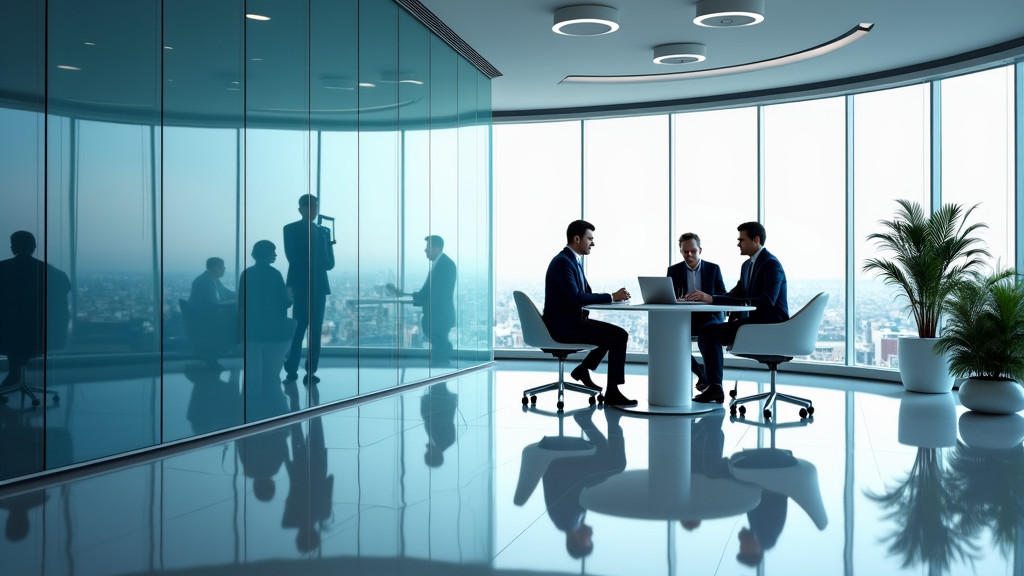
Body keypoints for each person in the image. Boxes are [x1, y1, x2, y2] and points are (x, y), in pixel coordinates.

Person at [684, 222, 788, 403]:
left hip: (770, 325)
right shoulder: (747, 265)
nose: (738, 244)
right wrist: (709, 297)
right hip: (754, 322)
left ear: (756, 239)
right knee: (708, 331)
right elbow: (735, 293)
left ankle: (714, 387)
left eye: (742, 239)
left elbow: (767, 302)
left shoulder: (770, 264)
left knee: (709, 333)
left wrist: (712, 299)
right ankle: (714, 386)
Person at [543, 220, 635, 407]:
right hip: (563, 328)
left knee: (610, 335)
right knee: (618, 336)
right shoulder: (563, 262)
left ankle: (583, 370)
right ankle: (612, 392)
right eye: (590, 238)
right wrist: (611, 296)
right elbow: (576, 297)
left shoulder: (572, 260)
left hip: (570, 323)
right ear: (577, 239)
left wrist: (614, 296)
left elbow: (583, 293)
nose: (593, 243)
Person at [542, 409, 626, 558]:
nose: (591, 534)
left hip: (561, 472)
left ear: (577, 542)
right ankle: (587, 421)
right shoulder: (572, 522)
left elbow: (581, 496)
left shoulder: (566, 521)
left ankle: (611, 421)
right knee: (605, 456)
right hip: (567, 475)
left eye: (589, 540)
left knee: (617, 466)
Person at [0, 231, 71, 389]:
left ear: (13, 248)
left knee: (14, 328)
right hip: (42, 334)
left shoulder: (2, 270)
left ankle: (14, 376)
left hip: (7, 334)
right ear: (34, 248)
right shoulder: (56, 274)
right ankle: (16, 377)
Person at [283, 194, 336, 385]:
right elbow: (293, 258)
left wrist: (323, 243)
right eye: (310, 208)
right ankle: (291, 367)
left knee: (315, 330)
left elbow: (330, 263)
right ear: (301, 209)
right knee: (298, 328)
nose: (314, 212)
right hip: (302, 285)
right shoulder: (290, 229)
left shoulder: (324, 231)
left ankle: (311, 369)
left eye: (316, 208)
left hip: (319, 287)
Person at [238, 240, 294, 418]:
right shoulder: (275, 274)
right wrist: (289, 297)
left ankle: (253, 413)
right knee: (271, 375)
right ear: (267, 254)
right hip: (273, 333)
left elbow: (242, 305)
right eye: (273, 252)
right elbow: (283, 304)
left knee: (253, 376)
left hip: (253, 332)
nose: (276, 255)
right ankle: (274, 416)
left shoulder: (246, 274)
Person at [666, 232, 726, 392]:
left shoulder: (713, 269)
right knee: (669, 337)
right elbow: (669, 296)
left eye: (693, 251)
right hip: (685, 317)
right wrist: (678, 299)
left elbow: (723, 295)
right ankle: (701, 372)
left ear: (700, 250)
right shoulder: (673, 271)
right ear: (681, 252)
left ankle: (715, 385)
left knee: (710, 332)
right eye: (685, 252)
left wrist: (707, 297)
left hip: (709, 316)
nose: (689, 254)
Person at [386, 235, 456, 366]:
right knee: (439, 349)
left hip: (440, 316)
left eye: (428, 247)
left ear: (436, 248)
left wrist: (405, 295)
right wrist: (401, 294)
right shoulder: (439, 264)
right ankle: (440, 379)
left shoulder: (445, 265)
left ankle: (441, 377)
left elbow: (436, 295)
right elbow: (426, 293)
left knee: (441, 350)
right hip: (439, 316)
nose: (425, 250)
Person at [420, 381, 458, 467]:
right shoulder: (445, 441)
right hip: (440, 401)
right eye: (429, 454)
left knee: (436, 378)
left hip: (438, 401)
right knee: (437, 377)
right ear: (435, 455)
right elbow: (439, 420)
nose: (427, 452)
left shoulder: (438, 442)